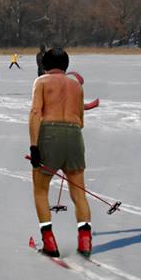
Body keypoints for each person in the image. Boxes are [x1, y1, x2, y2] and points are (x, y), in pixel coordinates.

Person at [28, 47, 92, 257]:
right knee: (79, 193)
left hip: (49, 134)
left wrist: (34, 145)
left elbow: (36, 112)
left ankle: (49, 242)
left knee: (40, 190)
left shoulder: (42, 82)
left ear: (45, 65)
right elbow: (81, 121)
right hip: (74, 136)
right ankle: (85, 240)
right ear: (66, 65)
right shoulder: (76, 85)